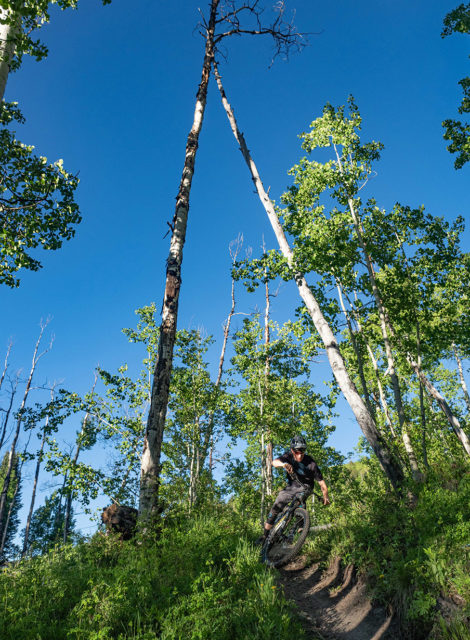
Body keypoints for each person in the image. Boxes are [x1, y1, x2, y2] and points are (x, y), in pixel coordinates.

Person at [258, 435, 330, 544]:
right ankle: (265, 535)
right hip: (291, 487)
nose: (300, 454)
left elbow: (322, 483)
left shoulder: (311, 463)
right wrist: (284, 464)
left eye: (303, 451)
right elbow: (274, 462)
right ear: (292, 450)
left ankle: (300, 528)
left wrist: (326, 497)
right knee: (277, 505)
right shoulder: (288, 456)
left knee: (300, 502)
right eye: (297, 452)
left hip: (305, 487)